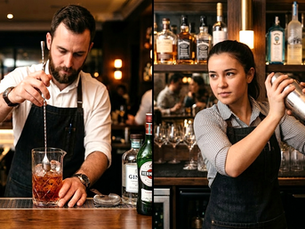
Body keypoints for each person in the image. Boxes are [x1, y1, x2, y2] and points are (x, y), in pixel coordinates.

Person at [0, 5, 111, 208]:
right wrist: (12, 96)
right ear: (49, 42)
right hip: (20, 197)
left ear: (89, 49)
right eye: (62, 51)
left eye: (78, 54)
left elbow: (100, 150)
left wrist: (82, 179)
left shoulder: (97, 91)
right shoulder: (20, 77)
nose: (68, 63)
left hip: (70, 201)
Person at [194, 40, 305, 228]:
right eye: (213, 76)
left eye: (229, 74)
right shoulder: (207, 119)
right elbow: (231, 166)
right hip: (224, 224)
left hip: (272, 222)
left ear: (249, 74)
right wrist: (274, 116)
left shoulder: (270, 111)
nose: (220, 84)